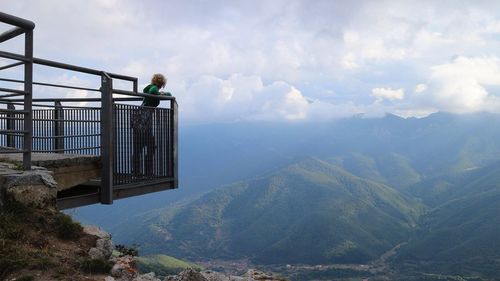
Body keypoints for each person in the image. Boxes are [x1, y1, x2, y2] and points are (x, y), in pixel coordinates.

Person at [132, 73, 172, 178]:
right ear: (161, 83)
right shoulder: (153, 89)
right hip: (144, 123)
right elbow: (154, 92)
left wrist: (162, 94)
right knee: (150, 147)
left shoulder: (149, 88)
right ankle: (147, 172)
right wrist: (162, 94)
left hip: (139, 122)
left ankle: (136, 172)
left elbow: (168, 94)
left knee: (138, 148)